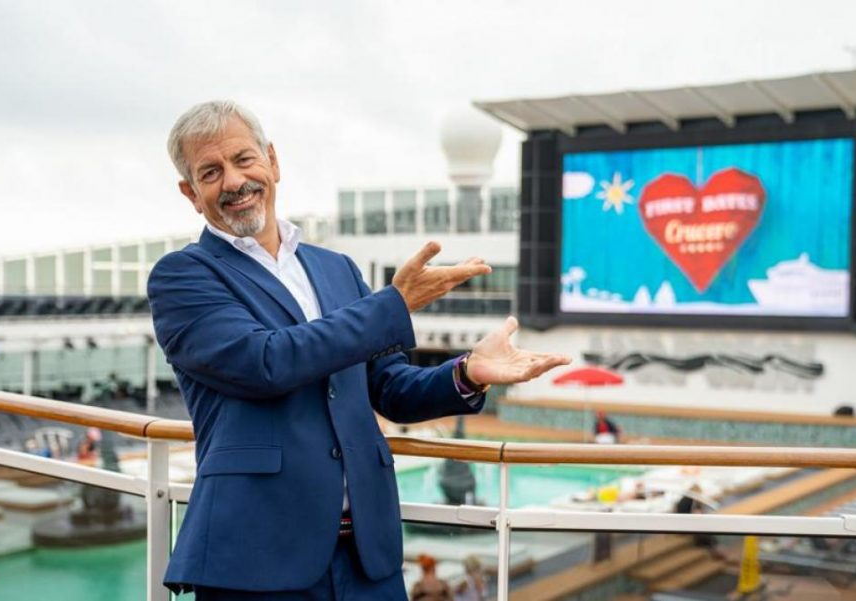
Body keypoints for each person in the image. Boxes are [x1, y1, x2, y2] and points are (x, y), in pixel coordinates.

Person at [148, 101, 571, 600]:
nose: (235, 181)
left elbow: (389, 387)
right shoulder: (183, 276)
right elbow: (267, 362)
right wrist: (394, 304)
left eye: (244, 160)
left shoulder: (337, 268)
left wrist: (467, 373)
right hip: (257, 557)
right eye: (211, 172)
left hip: (367, 558)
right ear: (191, 193)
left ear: (273, 161)